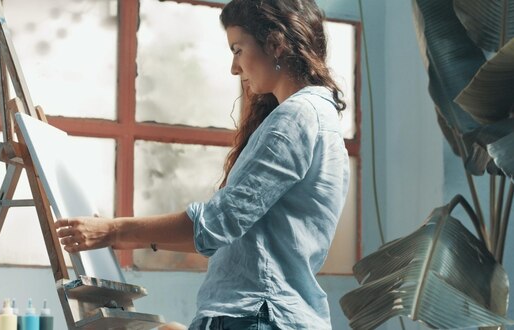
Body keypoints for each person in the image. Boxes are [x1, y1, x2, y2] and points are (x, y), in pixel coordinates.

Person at [55, 0, 350, 328]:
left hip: (259, 315)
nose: (234, 68)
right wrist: (124, 237)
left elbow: (220, 222)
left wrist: (114, 230)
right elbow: (227, 236)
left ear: (276, 45)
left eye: (238, 49)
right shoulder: (315, 117)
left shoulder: (296, 117)